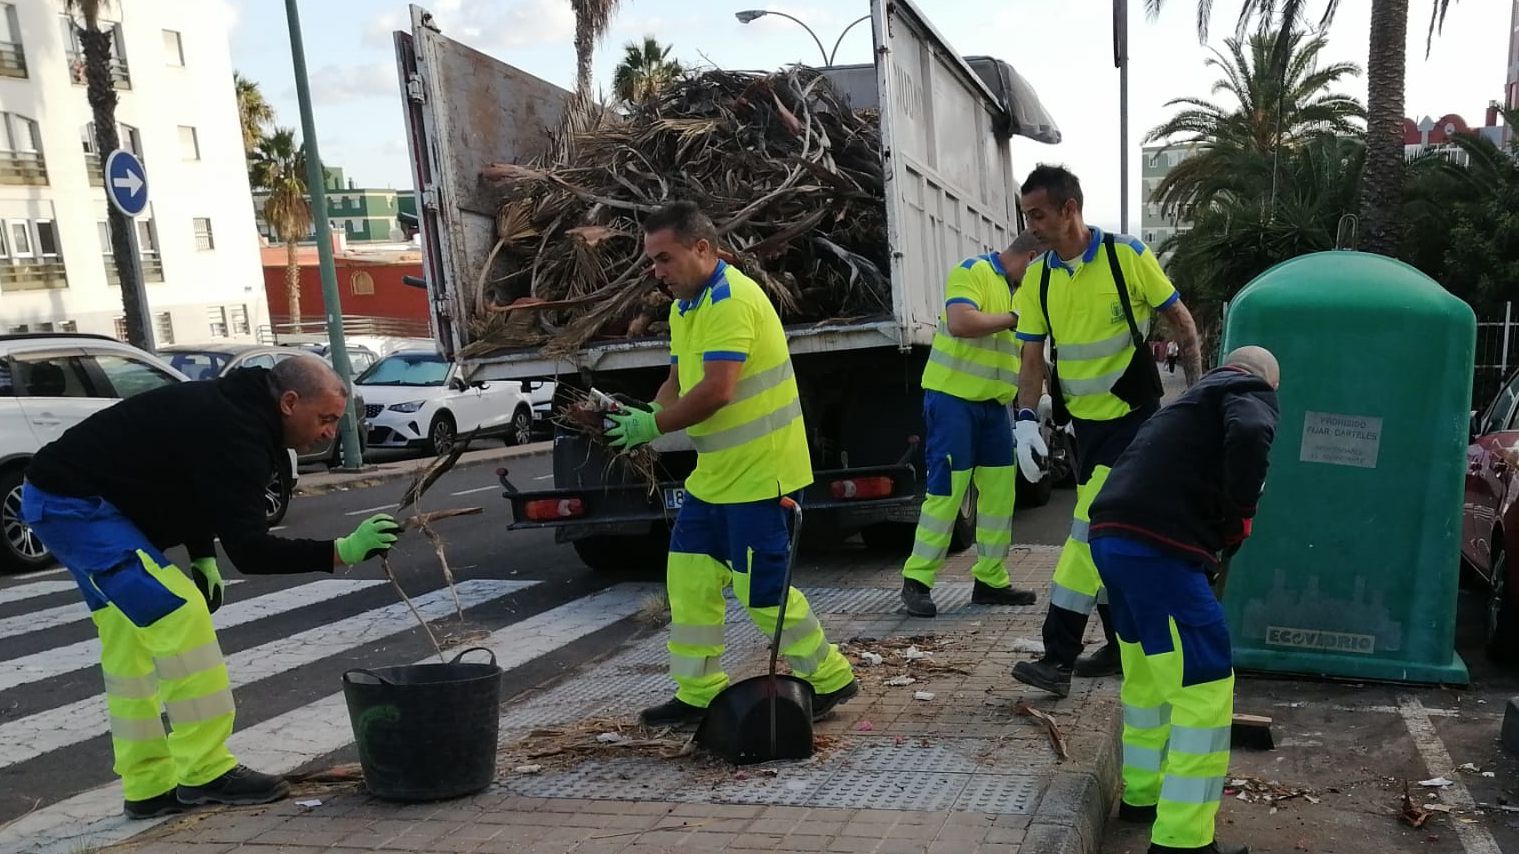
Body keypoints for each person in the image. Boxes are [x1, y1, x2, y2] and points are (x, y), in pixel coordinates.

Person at [20, 357, 400, 819]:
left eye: (335, 422)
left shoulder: (239, 412)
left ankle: (147, 786)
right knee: (181, 617)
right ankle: (205, 772)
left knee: (129, 643)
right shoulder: (237, 432)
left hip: (69, 500)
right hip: (76, 508)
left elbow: (192, 483)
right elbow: (251, 550)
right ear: (289, 402)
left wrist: (201, 554)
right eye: (324, 419)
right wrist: (340, 550)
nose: (329, 433)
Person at [605, 201, 858, 727]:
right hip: (715, 476)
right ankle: (698, 691)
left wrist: (654, 428)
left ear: (703, 248)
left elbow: (717, 390)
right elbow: (678, 382)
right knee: (690, 581)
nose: (657, 273)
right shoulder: (685, 309)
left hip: (762, 475)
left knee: (762, 592)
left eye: (665, 259)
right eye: (652, 262)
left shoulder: (730, 300)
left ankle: (828, 677)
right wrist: (644, 414)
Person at [1008, 164, 1202, 697]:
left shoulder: (1127, 257)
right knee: (1110, 541)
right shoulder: (1040, 276)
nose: (1031, 226)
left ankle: (1057, 657)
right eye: (1027, 215)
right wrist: (1025, 421)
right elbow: (1032, 358)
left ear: (1070, 209)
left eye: (1039, 215)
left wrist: (1198, 400)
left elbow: (1182, 324)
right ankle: (1122, 645)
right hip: (1082, 430)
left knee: (1084, 536)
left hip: (1134, 426)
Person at [1088, 346, 1281, 854]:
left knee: (1149, 677)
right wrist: (1241, 509)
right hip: (1159, 549)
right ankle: (1183, 840)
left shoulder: (1184, 405)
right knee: (1205, 683)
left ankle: (1143, 795)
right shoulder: (1245, 387)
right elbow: (1250, 433)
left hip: (1110, 538)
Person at [900, 232, 1045, 617]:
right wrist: (1016, 319)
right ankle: (916, 581)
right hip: (953, 401)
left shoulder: (1021, 295)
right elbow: (961, 321)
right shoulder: (972, 271)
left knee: (1000, 496)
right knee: (947, 492)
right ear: (1030, 257)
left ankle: (991, 581)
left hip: (994, 407)